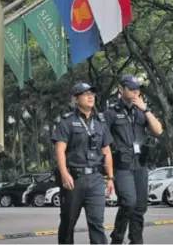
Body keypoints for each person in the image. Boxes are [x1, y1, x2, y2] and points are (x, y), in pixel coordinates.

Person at [52, 82, 114, 244]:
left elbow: (106, 151)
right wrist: (64, 174)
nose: (90, 97)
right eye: (85, 94)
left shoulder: (100, 122)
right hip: (74, 179)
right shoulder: (67, 121)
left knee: (97, 224)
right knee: (68, 223)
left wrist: (110, 177)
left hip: (95, 179)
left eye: (92, 94)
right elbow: (59, 150)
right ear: (75, 98)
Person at [104, 75, 163, 244]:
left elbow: (158, 131)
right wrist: (107, 172)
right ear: (121, 89)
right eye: (132, 89)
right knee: (129, 203)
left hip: (140, 164)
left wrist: (145, 109)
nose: (136, 92)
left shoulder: (142, 111)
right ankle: (117, 237)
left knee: (140, 207)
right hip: (122, 165)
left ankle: (136, 241)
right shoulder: (111, 113)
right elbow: (104, 143)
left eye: (138, 89)